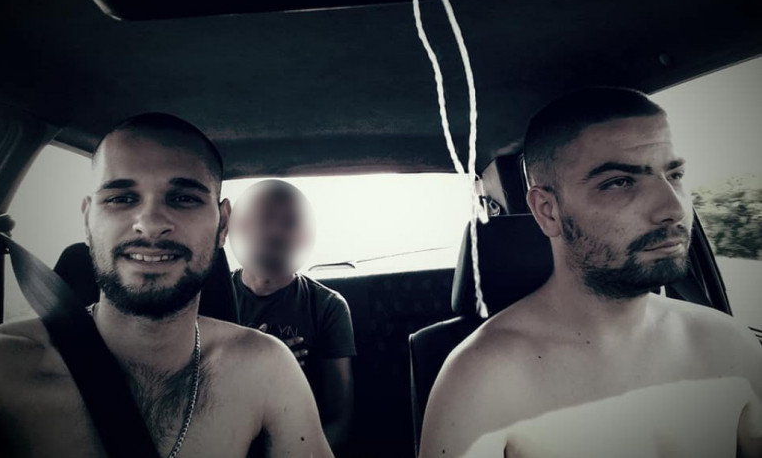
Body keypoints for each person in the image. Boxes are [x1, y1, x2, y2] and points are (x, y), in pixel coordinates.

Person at [419, 88, 762, 458]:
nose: (672, 209)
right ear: (548, 211)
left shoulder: (730, 344)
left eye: (674, 174)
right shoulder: (481, 380)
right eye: (620, 182)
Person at [0, 113, 333, 458]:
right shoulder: (5, 367)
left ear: (222, 225)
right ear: (87, 220)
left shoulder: (267, 367)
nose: (151, 224)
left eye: (183, 198)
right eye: (121, 198)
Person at [228, 180, 356, 452]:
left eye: (290, 222)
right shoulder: (209, 299)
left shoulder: (328, 307)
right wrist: (255, 362)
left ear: (304, 234)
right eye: (265, 219)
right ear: (242, 225)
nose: (276, 231)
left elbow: (339, 419)